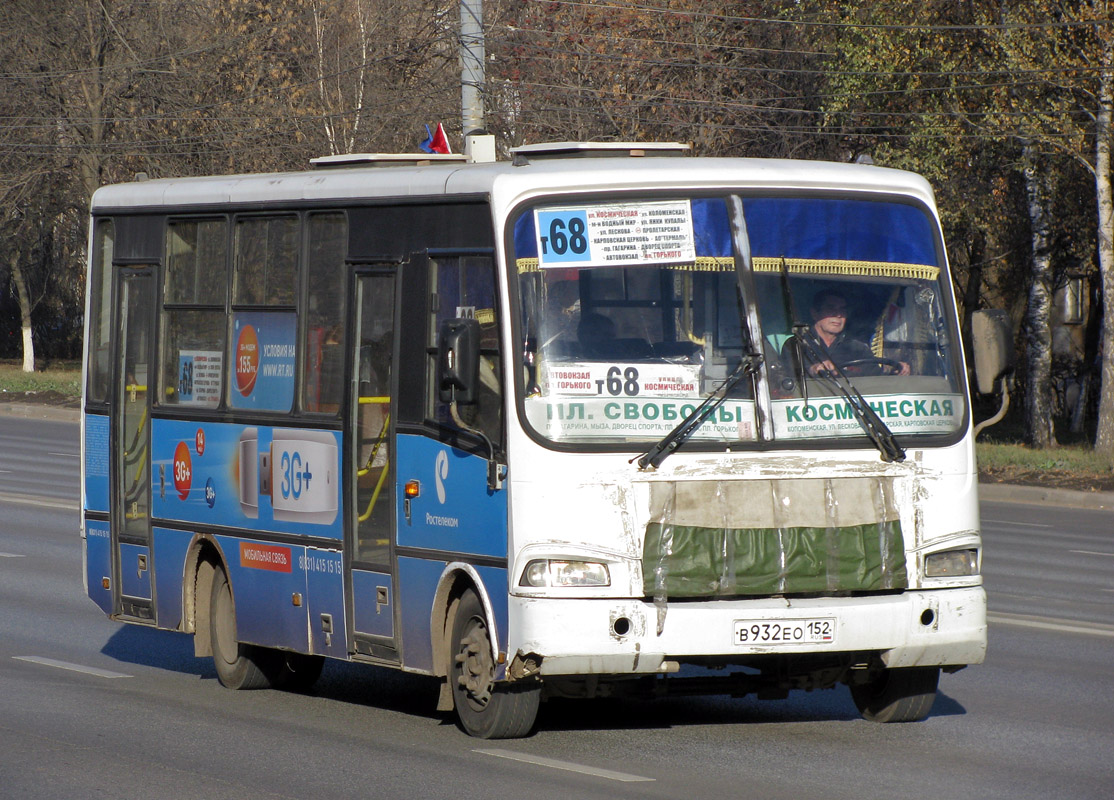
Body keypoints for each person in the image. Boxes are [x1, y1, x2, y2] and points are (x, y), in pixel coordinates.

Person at [800, 289, 910, 376]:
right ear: (814, 313)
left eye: (842, 310)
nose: (838, 315)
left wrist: (895, 371)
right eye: (831, 309)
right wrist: (812, 370)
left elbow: (875, 378)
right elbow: (787, 379)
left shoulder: (857, 347)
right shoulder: (797, 345)